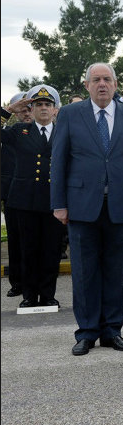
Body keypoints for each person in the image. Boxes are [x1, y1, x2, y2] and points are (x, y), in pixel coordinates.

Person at [50, 62, 123, 356]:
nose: (102, 84)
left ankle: (112, 331)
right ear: (87, 85)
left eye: (107, 79)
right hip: (81, 207)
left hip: (121, 205)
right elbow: (59, 161)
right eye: (96, 80)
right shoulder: (70, 114)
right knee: (84, 272)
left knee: (117, 272)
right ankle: (87, 332)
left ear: (116, 85)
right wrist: (59, 204)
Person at [2, 86, 66, 307]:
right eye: (38, 104)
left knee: (51, 250)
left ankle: (48, 295)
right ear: (31, 108)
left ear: (56, 110)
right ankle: (29, 296)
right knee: (28, 250)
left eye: (48, 104)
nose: (43, 108)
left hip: (54, 201)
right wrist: (8, 110)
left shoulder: (64, 132)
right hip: (25, 201)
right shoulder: (20, 131)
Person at [1, 92, 32, 298]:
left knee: (39, 241)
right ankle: (18, 282)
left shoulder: (44, 130)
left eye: (28, 108)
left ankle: (38, 282)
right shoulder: (9, 132)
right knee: (16, 240)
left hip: (39, 193)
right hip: (12, 194)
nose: (26, 113)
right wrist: (9, 110)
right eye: (21, 110)